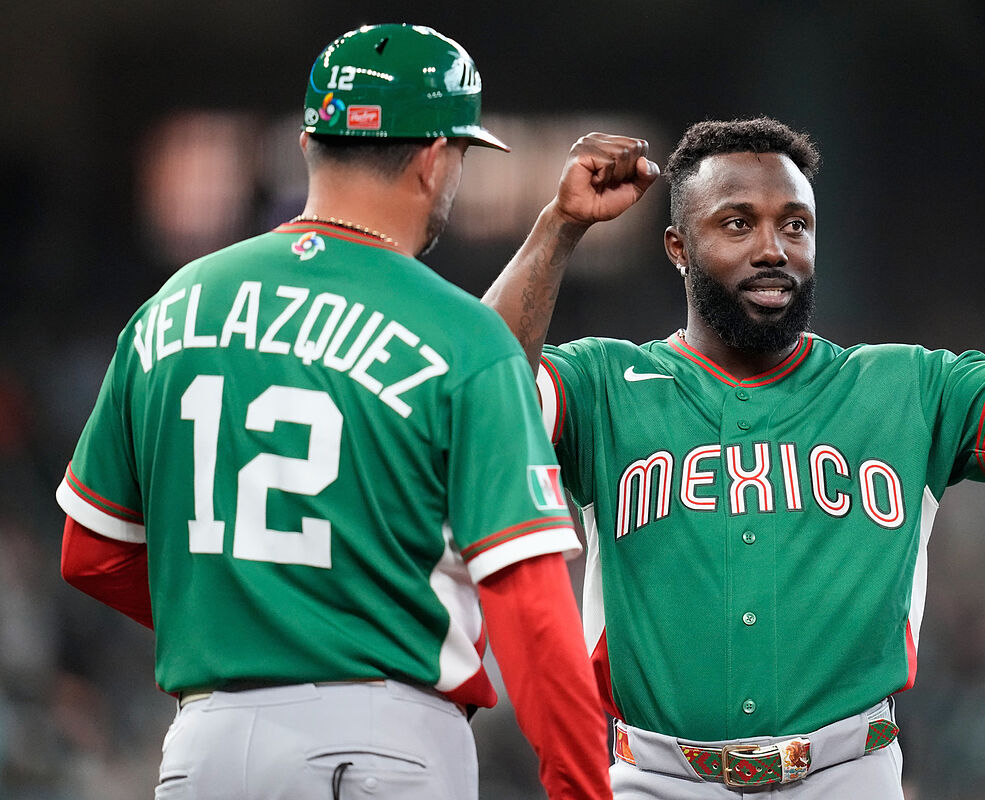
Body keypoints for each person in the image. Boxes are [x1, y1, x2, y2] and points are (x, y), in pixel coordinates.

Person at [482, 118, 985, 797]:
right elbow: (473, 395)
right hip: (656, 778)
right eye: (737, 224)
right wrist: (558, 225)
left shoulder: (904, 386)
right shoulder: (604, 385)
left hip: (845, 774)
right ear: (678, 247)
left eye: (795, 225)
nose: (772, 248)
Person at [56, 23, 611, 800]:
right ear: (432, 159)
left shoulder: (173, 305)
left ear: (314, 144)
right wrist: (583, 788)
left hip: (204, 749)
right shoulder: (460, 333)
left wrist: (258, 616)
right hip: (381, 746)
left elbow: (91, 553)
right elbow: (534, 610)